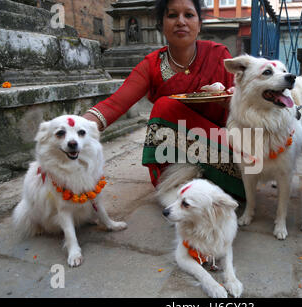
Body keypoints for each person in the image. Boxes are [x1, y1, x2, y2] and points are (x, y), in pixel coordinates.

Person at [83, 0, 244, 199]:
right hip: (174, 158)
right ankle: (184, 184)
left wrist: (232, 102)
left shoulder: (218, 54)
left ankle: (214, 181)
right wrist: (73, 129)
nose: (181, 22)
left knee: (251, 161)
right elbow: (114, 104)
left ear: (200, 24)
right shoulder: (153, 65)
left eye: (189, 15)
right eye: (172, 15)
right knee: (165, 107)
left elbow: (243, 108)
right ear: (161, 25)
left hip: (222, 146)